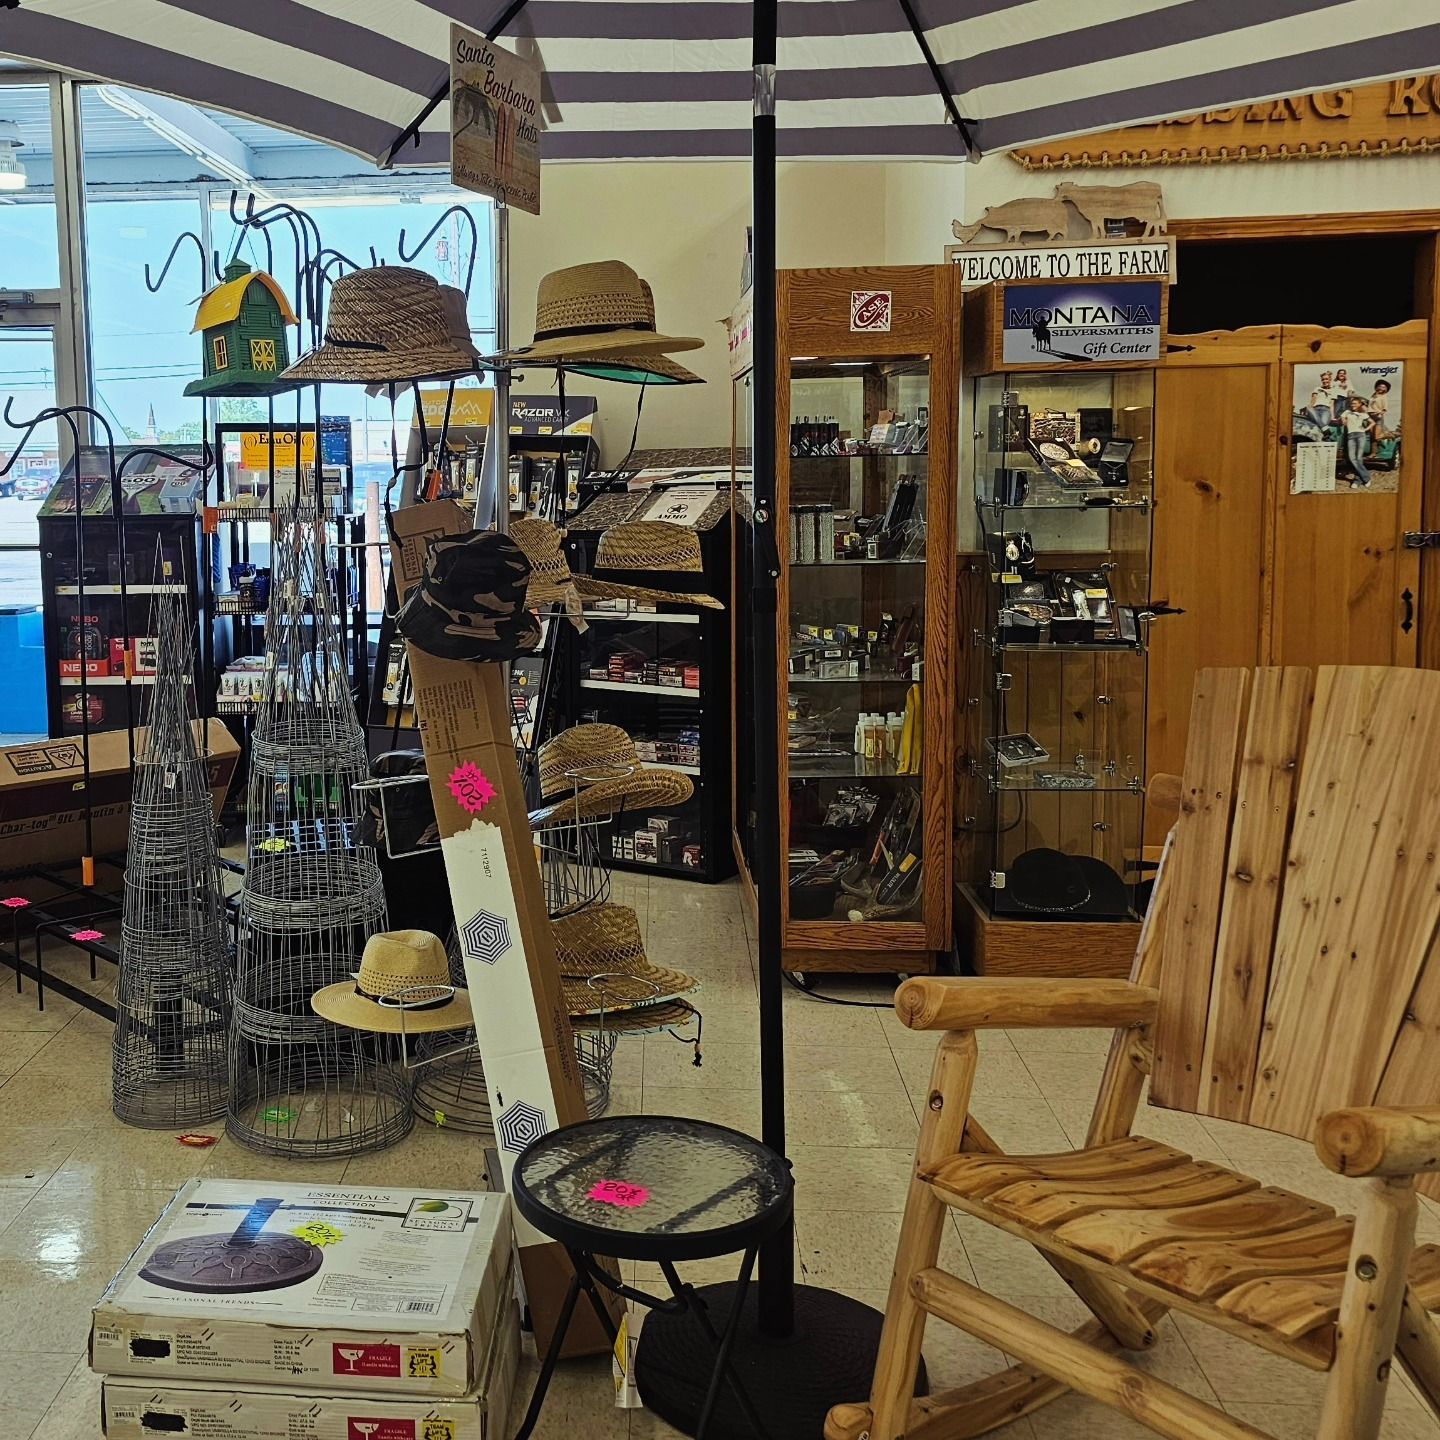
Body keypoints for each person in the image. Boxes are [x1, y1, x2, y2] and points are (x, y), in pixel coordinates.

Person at [1339, 395, 1374, 486]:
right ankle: (1366, 478)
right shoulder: (1347, 412)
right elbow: (1342, 418)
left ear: (1359, 404)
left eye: (1355, 403)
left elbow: (1372, 422)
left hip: (1360, 435)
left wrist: (1365, 429)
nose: (1353, 405)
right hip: (1351, 436)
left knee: (1358, 458)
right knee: (1352, 458)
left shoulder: (1363, 414)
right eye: (1352, 403)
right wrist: (1343, 420)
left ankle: (1357, 480)